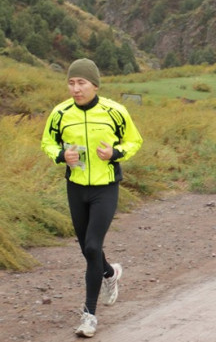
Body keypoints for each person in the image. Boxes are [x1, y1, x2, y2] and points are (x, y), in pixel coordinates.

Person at [41, 58, 143, 338]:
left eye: (81, 82)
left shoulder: (115, 111)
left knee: (93, 244)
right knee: (88, 250)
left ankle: (89, 315)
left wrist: (116, 154)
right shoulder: (60, 113)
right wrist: (62, 155)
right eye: (71, 83)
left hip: (105, 187)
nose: (76, 88)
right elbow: (47, 142)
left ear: (95, 85)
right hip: (75, 187)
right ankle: (110, 273)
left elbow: (135, 141)